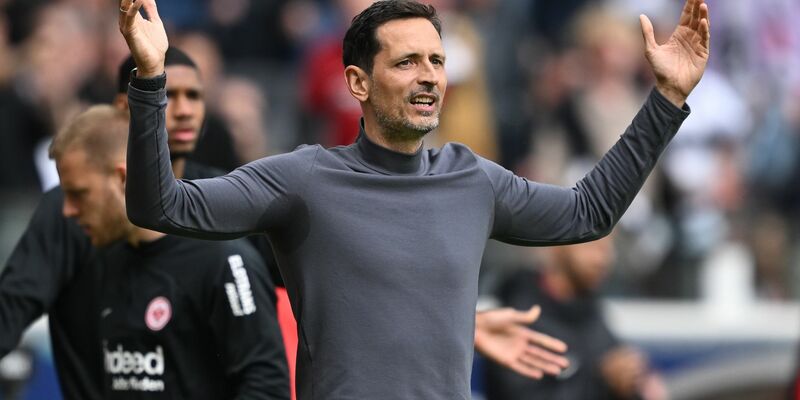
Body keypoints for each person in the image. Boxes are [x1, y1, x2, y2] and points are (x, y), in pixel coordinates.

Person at [118, 0, 708, 397]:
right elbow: (160, 207)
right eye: (406, 62)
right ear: (358, 82)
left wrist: (666, 99)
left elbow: (589, 213)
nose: (428, 75)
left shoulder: (473, 180)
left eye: (437, 61)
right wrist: (149, 79)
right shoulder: (302, 179)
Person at [1, 46, 570, 398]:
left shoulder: (229, 199)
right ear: (132, 106)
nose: (187, 108)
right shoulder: (72, 212)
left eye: (197, 95)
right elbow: (12, 308)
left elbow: (341, 280)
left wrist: (453, 325)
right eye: (170, 94)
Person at [49, 104, 289, 399]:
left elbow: (267, 387)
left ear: (122, 179)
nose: (68, 210)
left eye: (79, 194)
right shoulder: (102, 263)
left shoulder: (223, 261)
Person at [484, 237, 666, 400]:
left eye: (609, 248)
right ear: (557, 245)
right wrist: (602, 382)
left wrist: (635, 381)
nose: (604, 259)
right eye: (593, 245)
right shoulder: (520, 312)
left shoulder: (590, 308)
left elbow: (617, 366)